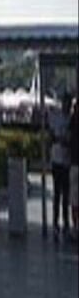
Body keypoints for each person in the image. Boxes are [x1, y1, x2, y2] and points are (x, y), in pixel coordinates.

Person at [50, 93, 72, 240]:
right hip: (57, 159)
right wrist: (58, 139)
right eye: (65, 103)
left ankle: (65, 222)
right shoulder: (57, 118)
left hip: (67, 161)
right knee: (57, 193)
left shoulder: (71, 119)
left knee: (66, 194)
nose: (66, 106)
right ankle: (55, 222)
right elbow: (51, 135)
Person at [69, 96, 78, 243]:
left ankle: (75, 227)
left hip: (74, 163)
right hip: (74, 163)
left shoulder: (73, 121)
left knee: (75, 199)